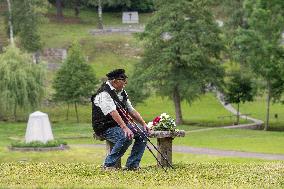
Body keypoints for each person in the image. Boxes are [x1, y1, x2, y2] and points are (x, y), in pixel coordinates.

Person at [91, 69, 149, 170]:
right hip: (104, 127)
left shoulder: (121, 92)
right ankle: (108, 165)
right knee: (125, 136)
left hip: (119, 124)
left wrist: (143, 123)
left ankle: (132, 165)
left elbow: (131, 109)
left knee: (143, 133)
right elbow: (113, 112)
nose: (126, 83)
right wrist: (125, 128)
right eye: (123, 80)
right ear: (114, 81)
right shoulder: (103, 94)